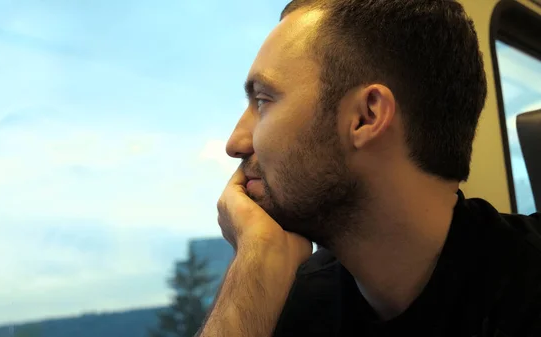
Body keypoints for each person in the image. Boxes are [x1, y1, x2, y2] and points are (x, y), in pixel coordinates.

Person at [198, 0, 541, 336]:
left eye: (263, 101)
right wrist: (256, 261)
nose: (235, 143)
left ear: (367, 117)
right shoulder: (287, 299)